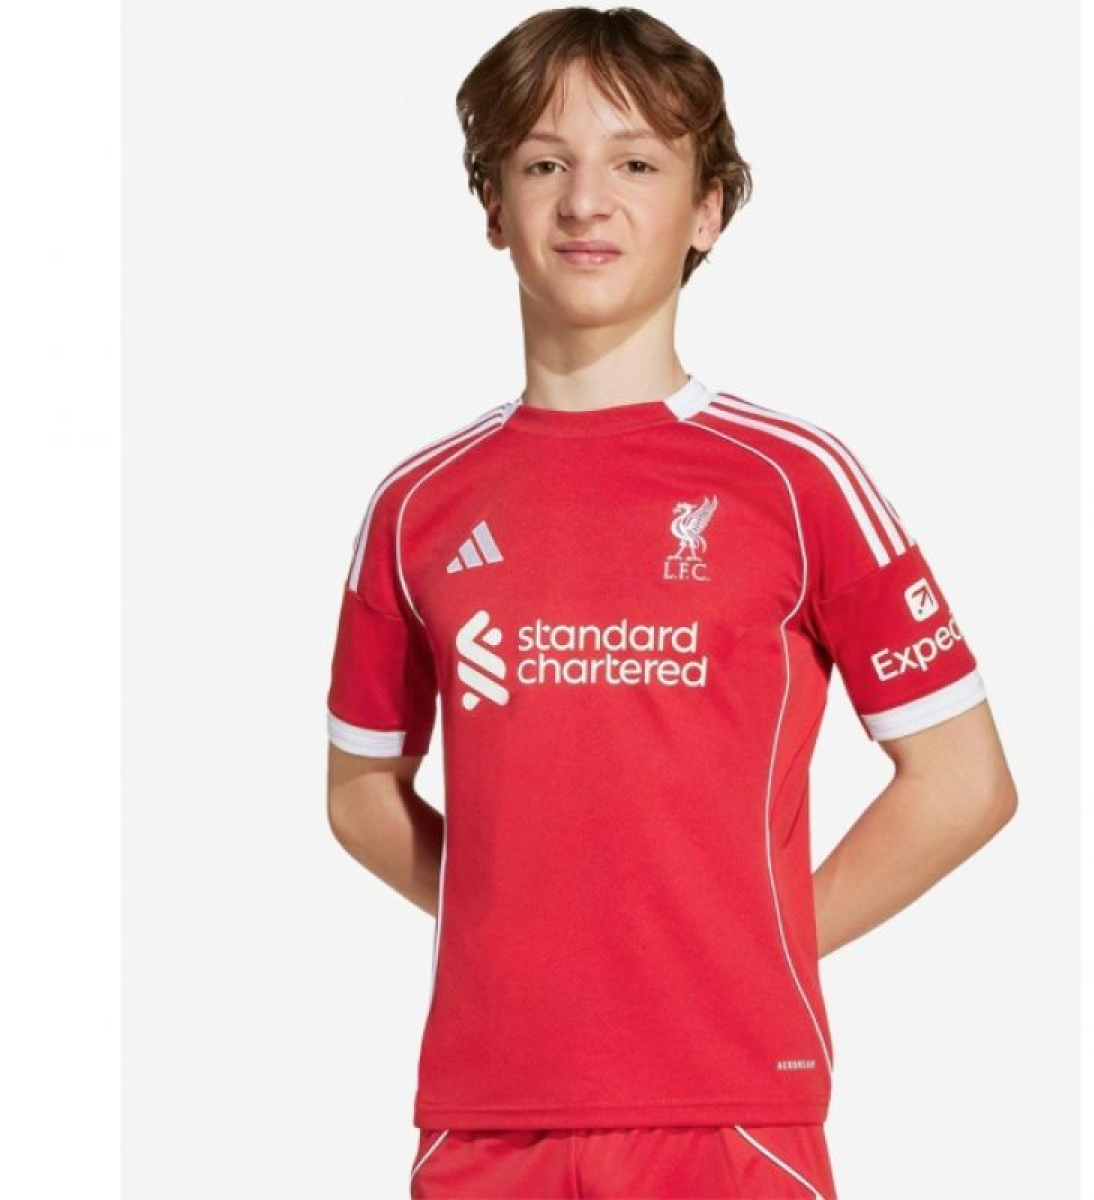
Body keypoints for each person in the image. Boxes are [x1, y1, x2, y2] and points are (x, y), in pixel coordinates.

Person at [324, 8, 1018, 1198]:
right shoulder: (416, 505)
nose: (586, 201)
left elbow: (964, 783)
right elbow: (360, 793)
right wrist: (530, 932)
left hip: (730, 1113)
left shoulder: (798, 481)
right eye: (544, 163)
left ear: (709, 209)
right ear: (492, 206)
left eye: (637, 164)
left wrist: (735, 946)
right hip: (488, 1113)